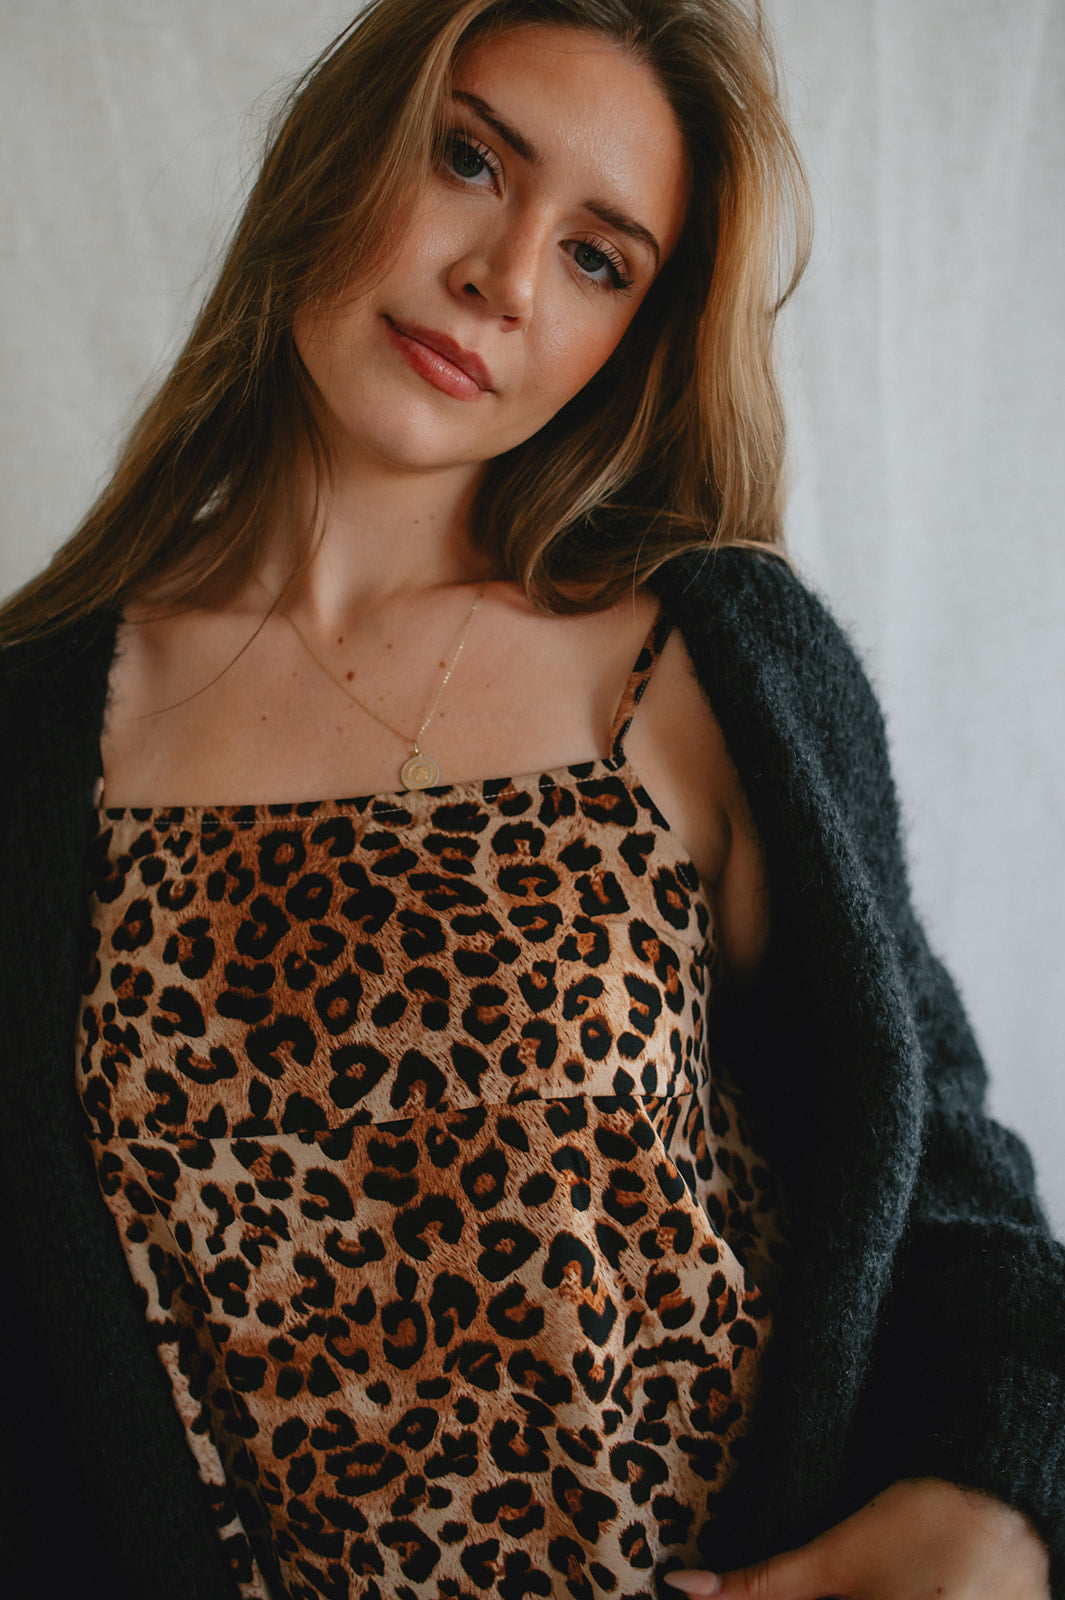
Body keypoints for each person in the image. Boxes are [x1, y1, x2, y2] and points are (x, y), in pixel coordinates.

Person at [0, 0, 1061, 1596]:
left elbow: (936, 1165)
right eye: (468, 159)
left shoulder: (707, 669)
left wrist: (997, 1504)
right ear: (342, 147)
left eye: (595, 257)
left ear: (636, 333)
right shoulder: (36, 730)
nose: (502, 277)